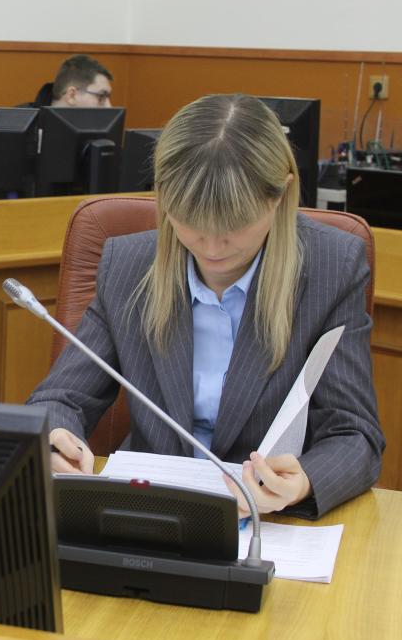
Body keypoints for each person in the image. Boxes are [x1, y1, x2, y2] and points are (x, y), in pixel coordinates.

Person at [27, 93, 383, 519]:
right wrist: (54, 435)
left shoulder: (332, 267)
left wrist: (302, 481)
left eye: (235, 226)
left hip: (270, 521)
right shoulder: (128, 266)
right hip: (148, 508)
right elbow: (60, 397)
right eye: (191, 222)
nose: (212, 248)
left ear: (280, 195)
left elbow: (354, 434)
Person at [22, 54, 114, 108]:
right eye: (101, 96)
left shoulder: (101, 129)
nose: (109, 106)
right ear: (71, 95)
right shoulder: (19, 124)